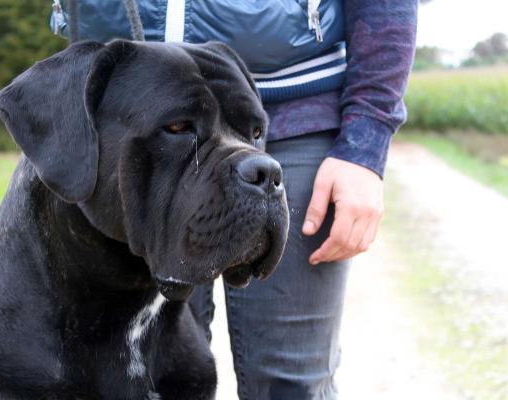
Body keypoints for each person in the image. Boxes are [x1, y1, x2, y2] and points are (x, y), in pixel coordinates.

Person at [51, 1, 418, 398]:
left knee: (290, 384)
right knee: (140, 383)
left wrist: (364, 144)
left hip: (295, 109)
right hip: (132, 118)